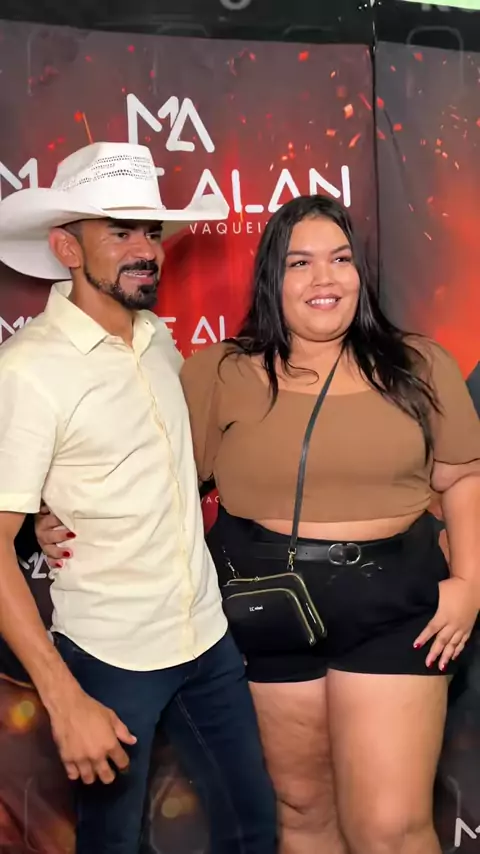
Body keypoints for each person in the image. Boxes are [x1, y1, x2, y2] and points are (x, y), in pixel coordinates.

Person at [39, 194, 480, 854]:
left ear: (360, 273)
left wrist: (470, 581)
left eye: (340, 259)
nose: (324, 278)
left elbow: (463, 478)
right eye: (300, 262)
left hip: (395, 611)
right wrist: (54, 514)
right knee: (301, 813)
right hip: (266, 609)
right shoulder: (221, 371)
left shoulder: (419, 364)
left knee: (389, 827)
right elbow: (156, 477)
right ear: (274, 277)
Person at [0, 141, 277, 854]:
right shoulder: (28, 371)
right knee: (111, 845)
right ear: (66, 247)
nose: (145, 250)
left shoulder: (156, 341)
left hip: (206, 637)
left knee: (254, 832)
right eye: (119, 231)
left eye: (150, 232)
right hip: (109, 657)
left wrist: (42, 509)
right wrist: (64, 699)